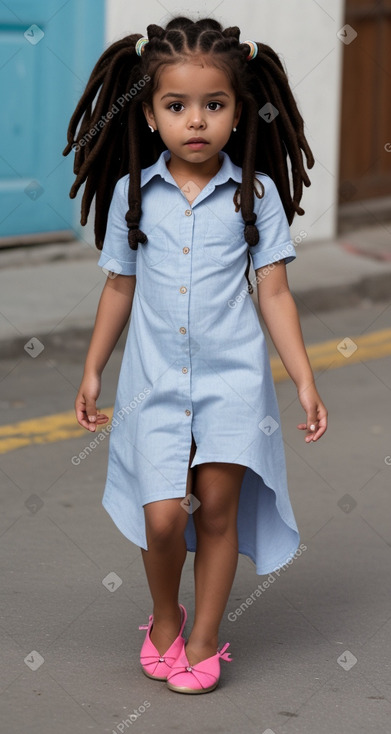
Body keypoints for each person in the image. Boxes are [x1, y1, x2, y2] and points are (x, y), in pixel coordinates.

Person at [64, 16, 328, 695]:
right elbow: (119, 286)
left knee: (215, 506)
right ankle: (164, 614)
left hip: (233, 383)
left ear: (238, 110)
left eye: (214, 104)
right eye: (176, 105)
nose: (196, 121)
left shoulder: (256, 195)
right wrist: (94, 366)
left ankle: (206, 637)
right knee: (162, 518)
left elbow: (272, 292)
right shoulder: (132, 195)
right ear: (148, 113)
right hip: (152, 383)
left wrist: (302, 379)